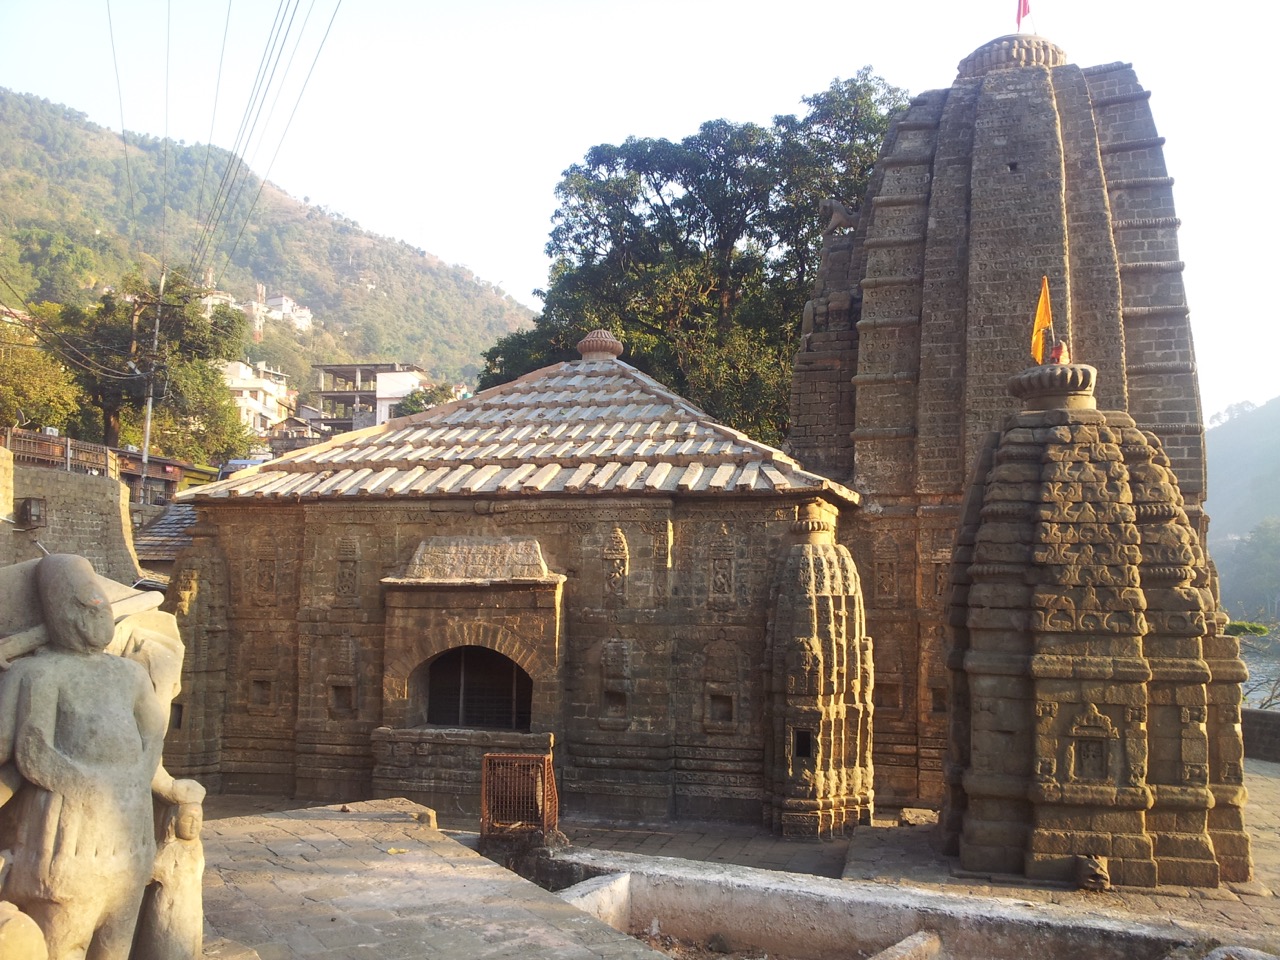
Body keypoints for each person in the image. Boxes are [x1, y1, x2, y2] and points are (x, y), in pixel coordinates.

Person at [0, 555, 199, 960]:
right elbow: (21, 750)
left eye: (100, 605)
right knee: (62, 940)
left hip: (130, 840)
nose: (95, 614)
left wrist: (157, 781)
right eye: (80, 606)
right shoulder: (37, 675)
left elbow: (153, 734)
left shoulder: (130, 675)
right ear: (57, 612)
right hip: (64, 841)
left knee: (114, 946)